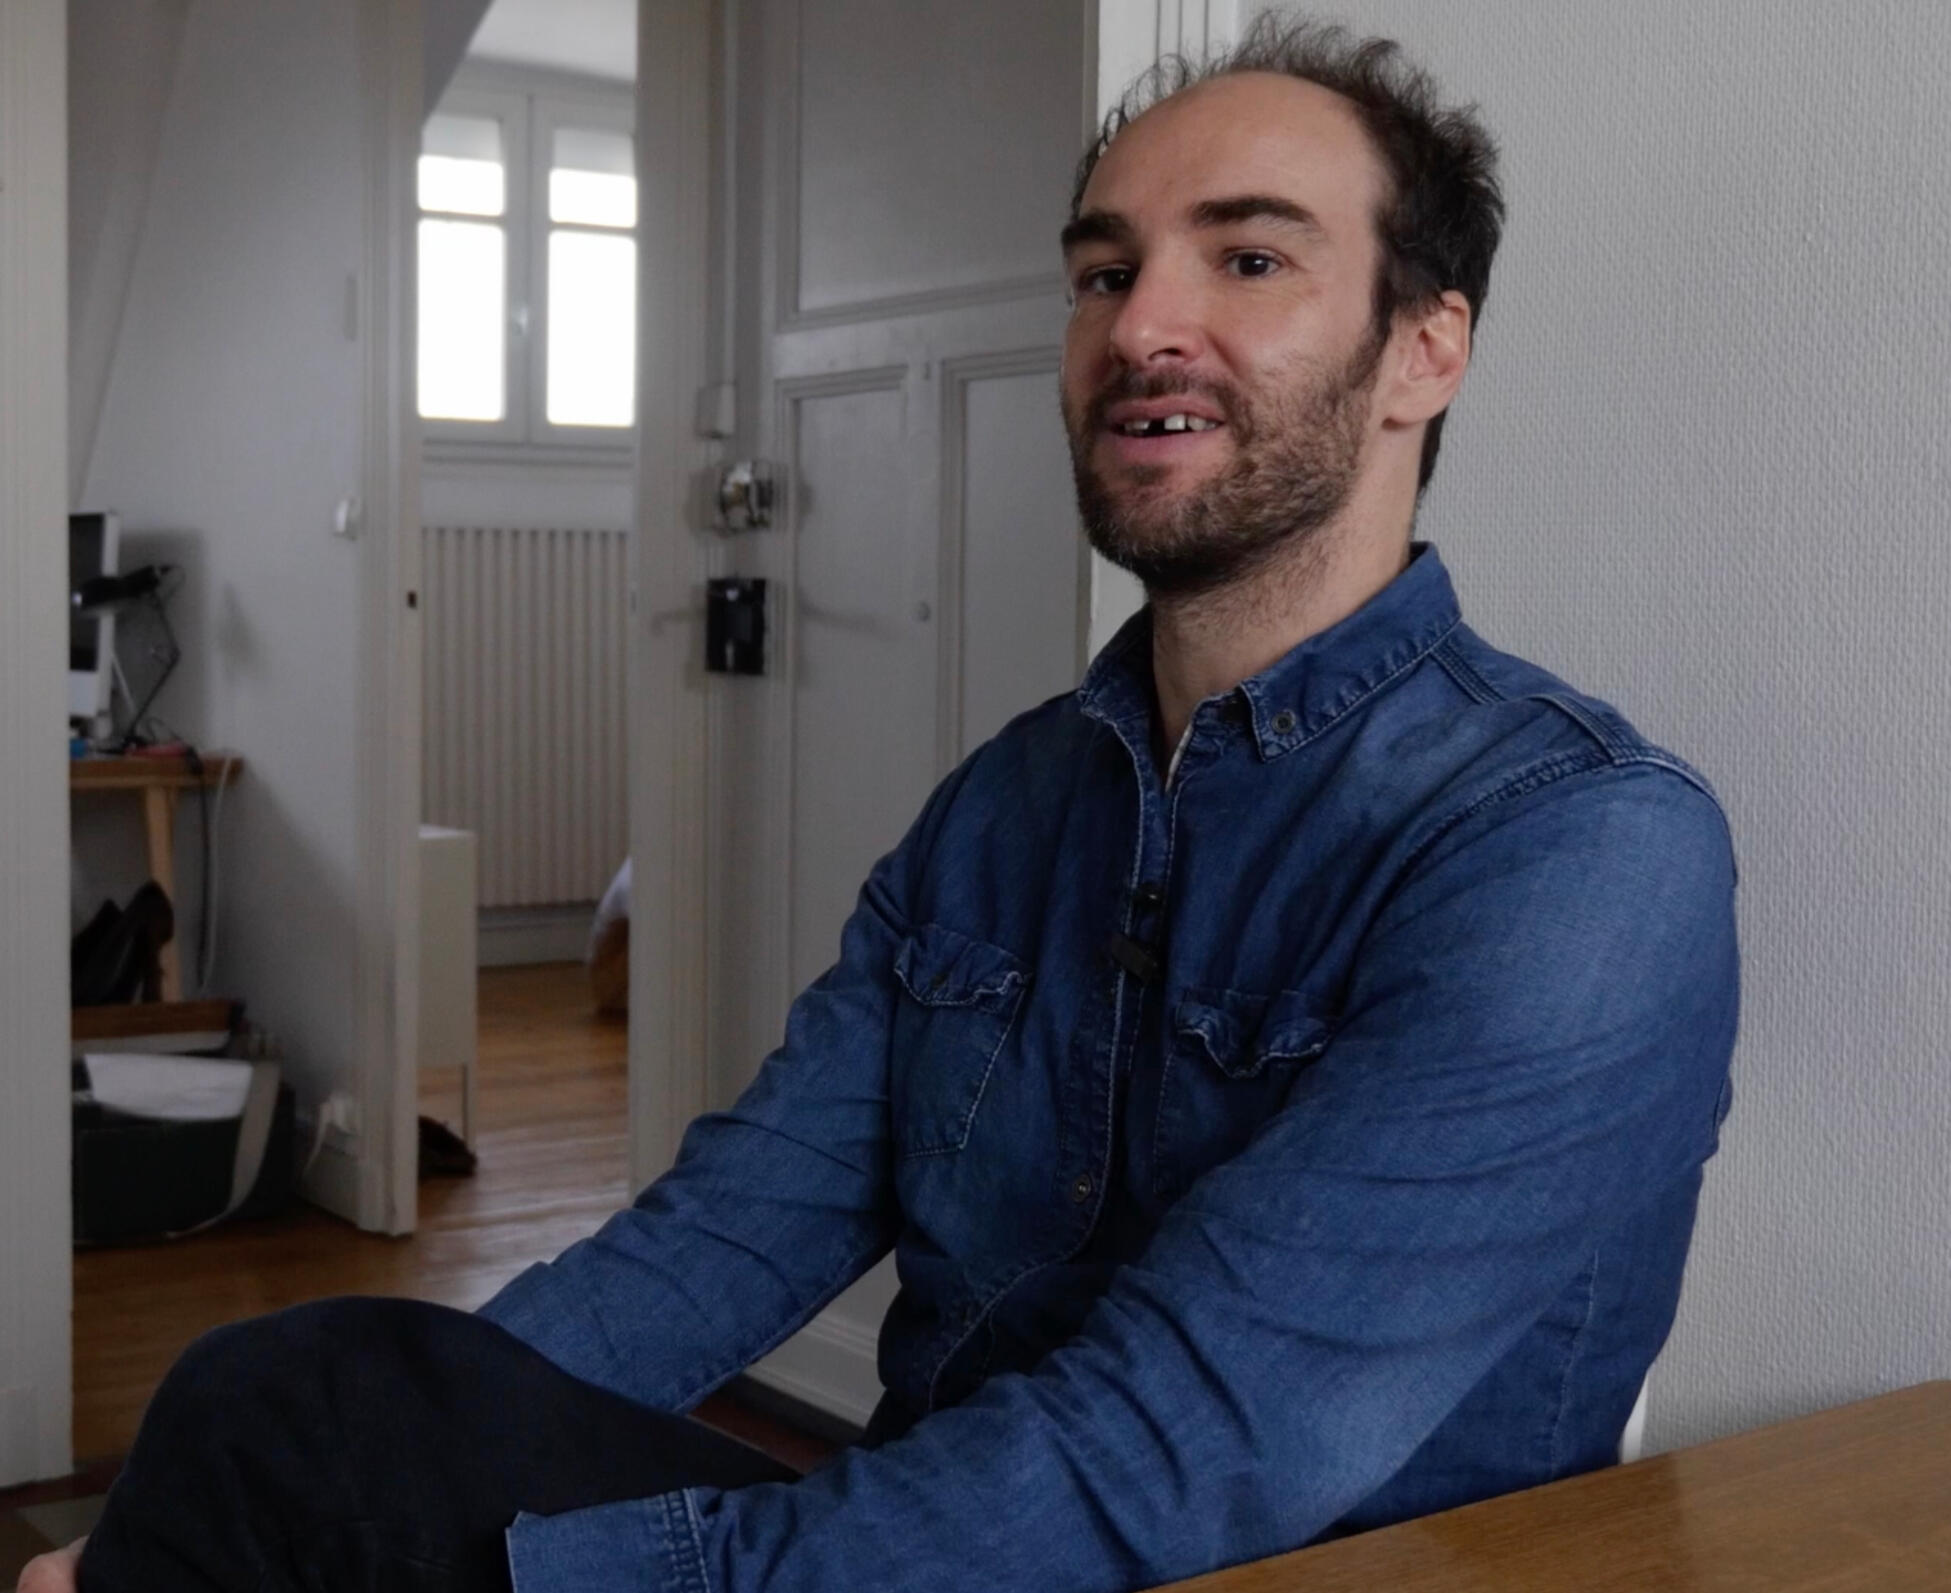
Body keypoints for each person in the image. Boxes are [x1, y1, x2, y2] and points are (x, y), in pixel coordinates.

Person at [27, 17, 1739, 1593]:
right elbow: (719, 1239)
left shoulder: (1578, 848)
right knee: (294, 1402)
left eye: (1249, 257)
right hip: (939, 1544)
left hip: (1259, 1566)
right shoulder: (1010, 807)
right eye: (1103, 271)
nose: (1141, 324)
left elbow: (1174, 1452)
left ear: (1425, 349)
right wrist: (341, 1476)